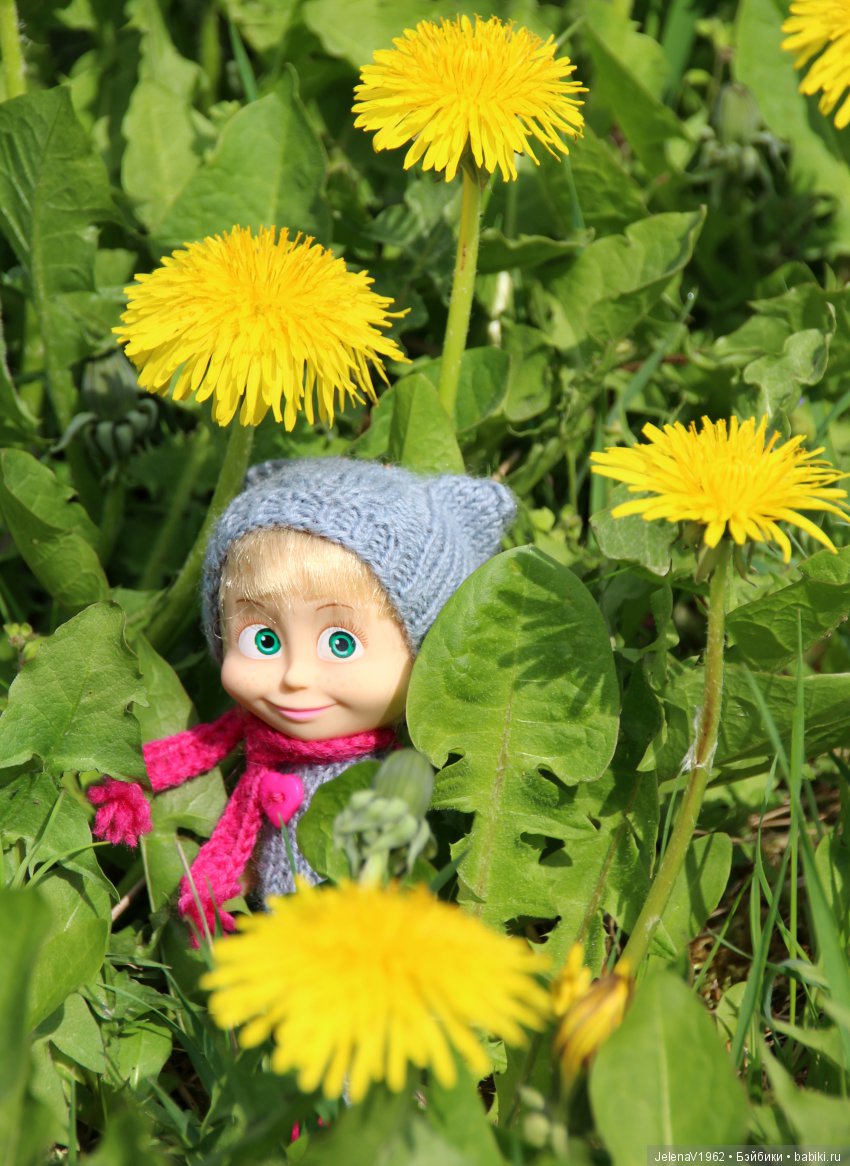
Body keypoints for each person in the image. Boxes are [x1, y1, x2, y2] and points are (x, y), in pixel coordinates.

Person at [89, 457, 516, 941]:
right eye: (264, 640)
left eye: (341, 644)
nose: (295, 676)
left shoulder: (401, 781)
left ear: (430, 658)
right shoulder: (254, 752)